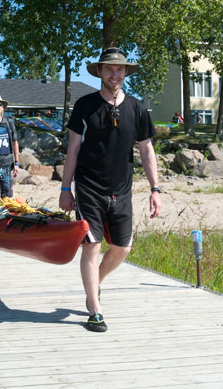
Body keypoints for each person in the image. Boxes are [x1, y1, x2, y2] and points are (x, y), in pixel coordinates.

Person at [59, 47, 162, 333]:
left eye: (119, 70)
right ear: (100, 73)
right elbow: (74, 148)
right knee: (91, 246)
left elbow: (146, 150)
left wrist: (156, 189)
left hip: (121, 188)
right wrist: (66, 188)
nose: (114, 74)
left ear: (125, 73)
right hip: (89, 185)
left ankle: (95, 284)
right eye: (109, 70)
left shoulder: (137, 108)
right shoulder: (85, 105)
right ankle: (95, 309)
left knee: (122, 248)